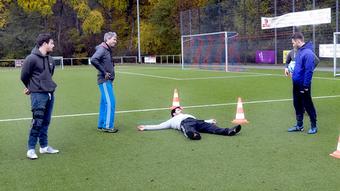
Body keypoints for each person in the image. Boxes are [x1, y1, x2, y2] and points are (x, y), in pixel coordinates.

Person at [21, 33, 59, 159]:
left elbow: (50, 75)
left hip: (50, 94)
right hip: (38, 95)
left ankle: (44, 147)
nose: (53, 45)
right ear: (44, 44)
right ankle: (31, 149)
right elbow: (24, 76)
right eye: (51, 43)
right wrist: (31, 87)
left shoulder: (51, 60)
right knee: (37, 121)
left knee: (46, 121)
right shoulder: (31, 58)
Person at [137, 106, 241, 140]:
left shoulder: (187, 114)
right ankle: (193, 135)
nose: (179, 110)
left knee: (211, 127)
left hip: (195, 121)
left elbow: (200, 120)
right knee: (188, 128)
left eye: (179, 109)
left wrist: (209, 120)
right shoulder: (172, 120)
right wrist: (146, 127)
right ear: (173, 114)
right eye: (177, 110)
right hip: (185, 123)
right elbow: (159, 126)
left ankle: (228, 131)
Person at [286, 32, 318, 134]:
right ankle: (299, 125)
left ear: (298, 41)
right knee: (297, 104)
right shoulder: (299, 51)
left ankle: (314, 126)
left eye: (293, 43)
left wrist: (305, 85)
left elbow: (309, 70)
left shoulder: (308, 53)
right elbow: (299, 67)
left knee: (308, 105)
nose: (292, 45)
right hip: (296, 84)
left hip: (304, 85)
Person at [90, 32, 118, 133]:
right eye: (114, 39)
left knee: (104, 103)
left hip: (108, 81)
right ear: (108, 39)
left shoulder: (107, 50)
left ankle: (101, 124)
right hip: (104, 80)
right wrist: (104, 72)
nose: (116, 41)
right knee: (111, 102)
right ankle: (108, 126)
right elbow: (93, 60)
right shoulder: (102, 49)